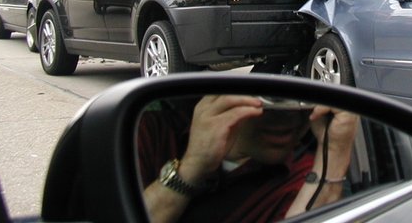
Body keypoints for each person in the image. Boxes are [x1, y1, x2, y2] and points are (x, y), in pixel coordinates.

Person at [138, 94, 358, 223]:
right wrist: (192, 165)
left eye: (301, 105)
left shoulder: (304, 178)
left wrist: (334, 154)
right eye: (269, 102)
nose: (289, 117)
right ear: (220, 101)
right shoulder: (153, 132)